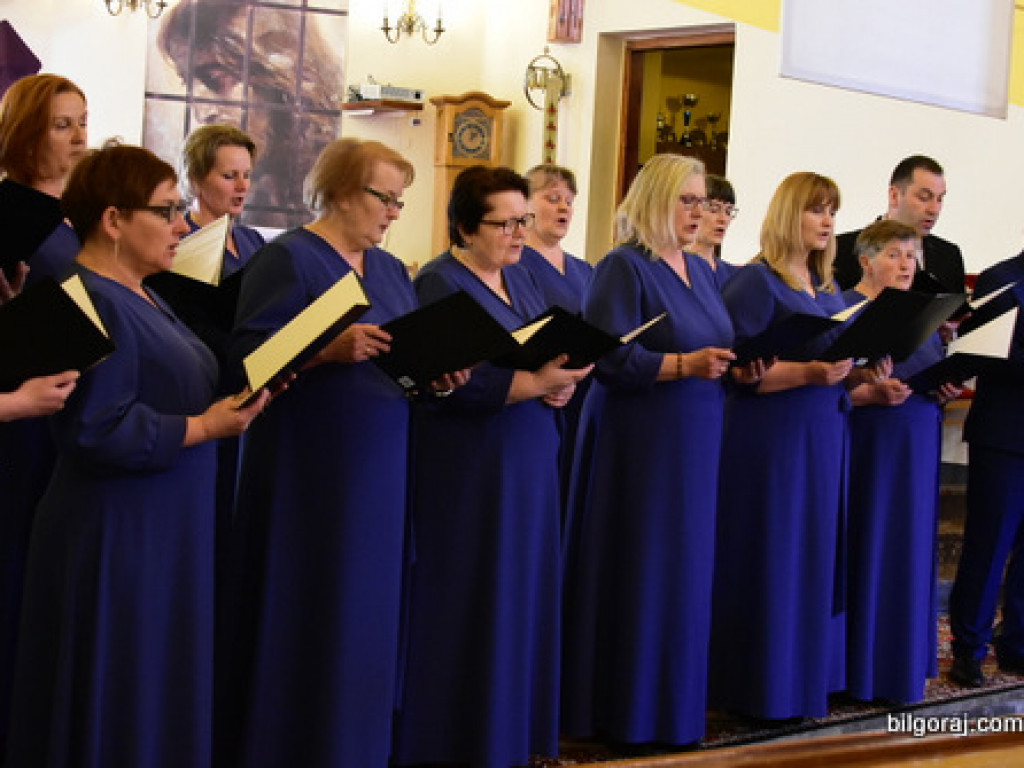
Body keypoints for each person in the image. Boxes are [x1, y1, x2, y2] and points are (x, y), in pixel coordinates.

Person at [5, 142, 267, 768]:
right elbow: (98, 428)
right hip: (118, 528)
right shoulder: (88, 297)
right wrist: (205, 426)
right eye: (165, 210)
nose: (182, 225)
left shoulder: (150, 293)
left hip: (164, 520)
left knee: (156, 679)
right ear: (114, 220)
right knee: (121, 686)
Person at [218, 138, 459, 768]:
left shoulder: (386, 269)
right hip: (309, 466)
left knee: (368, 610)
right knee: (309, 600)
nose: (395, 213)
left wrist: (431, 376)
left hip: (381, 460)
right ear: (344, 190)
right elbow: (247, 362)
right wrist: (326, 351)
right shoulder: (290, 259)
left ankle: (358, 747)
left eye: (400, 201)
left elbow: (398, 351)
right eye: (386, 198)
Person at [560, 155, 764, 751]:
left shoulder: (702, 271)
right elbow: (607, 357)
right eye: (688, 200)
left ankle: (673, 707)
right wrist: (681, 365)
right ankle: (626, 710)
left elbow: (718, 341)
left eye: (705, 201)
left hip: (697, 437)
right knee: (644, 569)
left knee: (685, 572)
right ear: (655, 200)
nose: (699, 212)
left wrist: (741, 363)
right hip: (641, 442)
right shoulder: (624, 267)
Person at [392, 166, 591, 768]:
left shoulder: (523, 277)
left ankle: (513, 736)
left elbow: (543, 351)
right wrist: (530, 382)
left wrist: (560, 386)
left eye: (521, 220)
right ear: (462, 227)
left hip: (529, 453)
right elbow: (437, 377)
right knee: (472, 596)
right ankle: (459, 740)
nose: (517, 233)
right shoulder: (437, 283)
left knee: (523, 593)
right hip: (470, 465)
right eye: (503, 223)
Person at [709, 171, 886, 721]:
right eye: (817, 210)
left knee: (812, 555)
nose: (829, 221)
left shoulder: (827, 288)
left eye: (833, 210)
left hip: (823, 434)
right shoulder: (754, 283)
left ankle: (803, 682)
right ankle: (756, 688)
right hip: (772, 440)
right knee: (772, 555)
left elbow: (835, 366)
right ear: (790, 214)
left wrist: (863, 372)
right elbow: (740, 374)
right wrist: (810, 373)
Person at [0, 72, 87, 754]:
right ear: (27, 134)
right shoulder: (8, 215)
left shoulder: (73, 217)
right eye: (63, 124)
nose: (80, 136)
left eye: (83, 121)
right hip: (16, 430)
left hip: (64, 419)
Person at [841, 219, 961, 704]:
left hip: (917, 443)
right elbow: (837, 380)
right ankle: (860, 670)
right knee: (870, 547)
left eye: (912, 256)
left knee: (908, 553)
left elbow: (926, 372)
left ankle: (899, 666)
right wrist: (869, 391)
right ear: (866, 260)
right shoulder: (850, 308)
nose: (906, 264)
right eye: (894, 254)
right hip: (873, 447)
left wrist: (945, 385)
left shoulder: (920, 315)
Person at [157, 0, 344, 228]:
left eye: (217, 79)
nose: (203, 111)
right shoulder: (179, 238)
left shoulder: (253, 236)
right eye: (188, 82)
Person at [948, 252, 1024, 688]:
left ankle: (1016, 643)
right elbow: (991, 352)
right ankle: (969, 648)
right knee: (988, 546)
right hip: (1005, 435)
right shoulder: (1002, 279)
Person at [520, 163, 593, 515]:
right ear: (526, 205)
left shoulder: (585, 269)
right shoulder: (515, 265)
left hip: (583, 392)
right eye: (553, 198)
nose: (564, 208)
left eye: (569, 200)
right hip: (540, 394)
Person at [833, 155, 965, 292]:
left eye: (940, 199)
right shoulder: (841, 250)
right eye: (924, 197)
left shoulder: (949, 256)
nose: (934, 209)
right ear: (894, 196)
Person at [182, 123, 265, 280]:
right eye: (229, 176)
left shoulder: (252, 240)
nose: (242, 186)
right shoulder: (179, 245)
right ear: (195, 180)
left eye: (246, 175)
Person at [690, 173, 740, 289]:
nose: (723, 219)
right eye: (714, 209)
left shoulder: (734, 275)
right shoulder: (677, 267)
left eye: (729, 211)